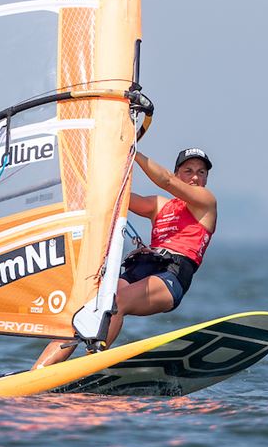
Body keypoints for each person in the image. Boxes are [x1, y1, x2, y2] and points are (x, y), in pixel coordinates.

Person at [32, 147, 217, 369]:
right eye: (188, 171)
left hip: (172, 275)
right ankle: (39, 372)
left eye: (201, 172)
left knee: (115, 303)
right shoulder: (159, 205)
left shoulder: (206, 203)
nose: (195, 177)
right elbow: (118, 198)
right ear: (179, 173)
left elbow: (166, 181)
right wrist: (92, 176)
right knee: (86, 308)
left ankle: (89, 365)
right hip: (144, 267)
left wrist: (133, 152)